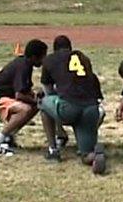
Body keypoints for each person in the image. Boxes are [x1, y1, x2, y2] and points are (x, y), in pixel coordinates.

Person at [39, 35, 106, 174]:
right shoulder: (83, 58)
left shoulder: (50, 59)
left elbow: (48, 90)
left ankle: (53, 149)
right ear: (70, 48)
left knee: (44, 103)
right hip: (91, 109)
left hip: (69, 107)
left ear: (55, 49)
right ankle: (93, 156)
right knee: (85, 154)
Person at [0, 39, 48, 156]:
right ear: (33, 57)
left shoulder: (26, 64)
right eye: (42, 57)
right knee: (25, 109)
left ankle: (9, 136)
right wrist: (36, 100)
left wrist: (36, 97)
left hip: (0, 97)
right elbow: (19, 95)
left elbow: (25, 90)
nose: (44, 60)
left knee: (35, 105)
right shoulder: (23, 66)